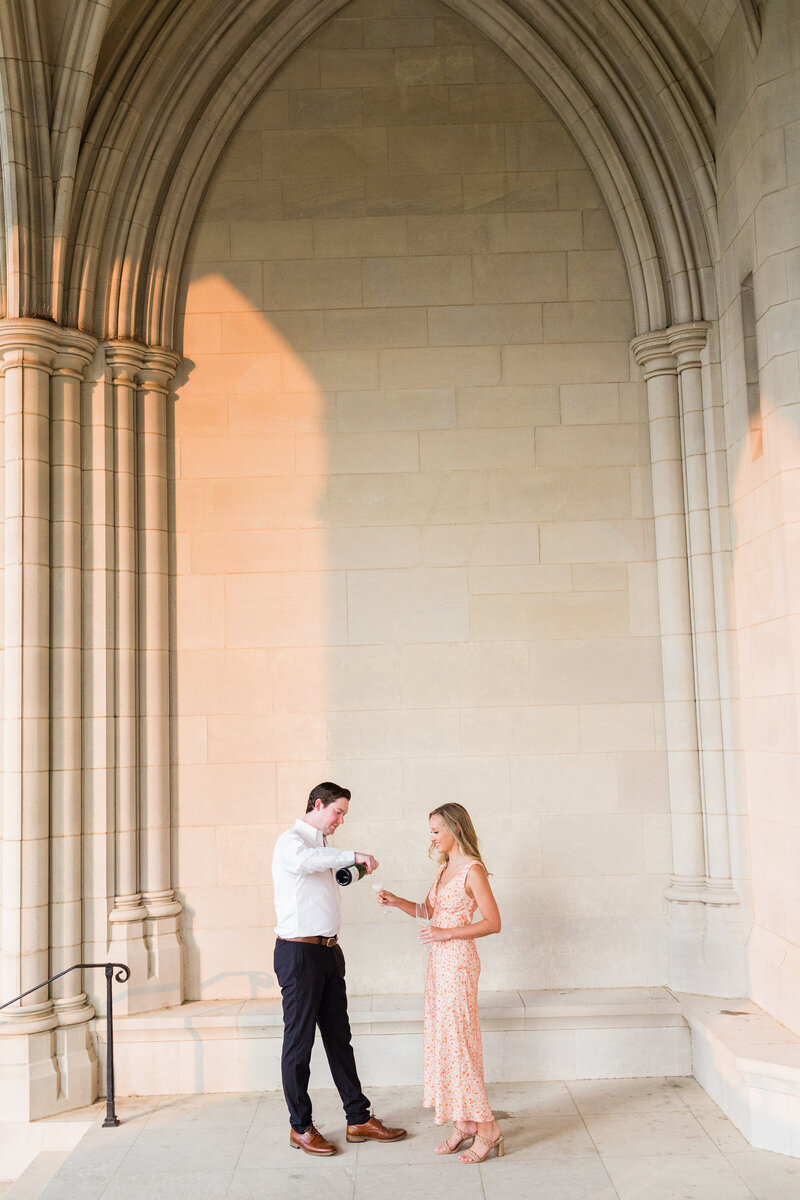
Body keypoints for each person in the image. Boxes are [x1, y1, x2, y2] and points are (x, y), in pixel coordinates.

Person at [271, 781, 406, 1156]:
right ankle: (300, 1127)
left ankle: (358, 1118)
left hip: (329, 953)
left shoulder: (325, 849)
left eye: (344, 814)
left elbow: (324, 876)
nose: (341, 819)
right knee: (299, 1043)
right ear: (319, 804)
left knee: (339, 1038)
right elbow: (304, 863)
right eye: (338, 812)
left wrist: (351, 868)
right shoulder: (292, 842)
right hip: (299, 955)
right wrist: (354, 854)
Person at [377, 802, 503, 1164]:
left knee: (460, 1042)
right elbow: (430, 912)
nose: (431, 837)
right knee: (445, 1042)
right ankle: (463, 1122)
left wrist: (446, 934)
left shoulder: (472, 870)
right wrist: (397, 901)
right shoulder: (444, 868)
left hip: (459, 963)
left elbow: (493, 922)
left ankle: (488, 1127)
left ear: (454, 830)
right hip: (438, 965)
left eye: (435, 830)